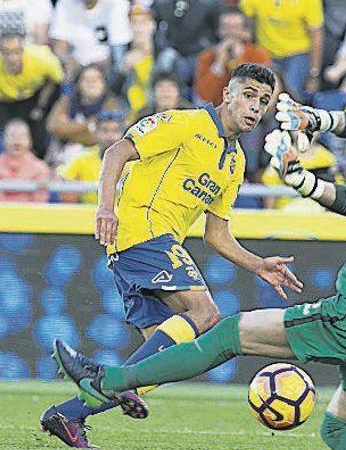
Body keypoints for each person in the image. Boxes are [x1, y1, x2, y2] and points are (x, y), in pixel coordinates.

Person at [51, 91, 346, 450]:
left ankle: (107, 381)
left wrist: (301, 179)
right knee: (340, 431)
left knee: (226, 332)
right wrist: (313, 119)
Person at [39, 64, 303, 448]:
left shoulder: (235, 163)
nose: (255, 106)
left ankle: (67, 415)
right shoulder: (186, 123)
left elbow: (217, 235)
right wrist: (105, 208)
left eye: (264, 101)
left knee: (161, 364)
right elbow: (116, 152)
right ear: (227, 94)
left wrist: (258, 264)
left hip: (144, 247)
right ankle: (100, 377)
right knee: (206, 314)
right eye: (248, 95)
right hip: (140, 229)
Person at [240, 0, 324, 99]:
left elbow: (316, 37)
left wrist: (314, 74)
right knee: (260, 93)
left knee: (290, 96)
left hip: (297, 53)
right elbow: (246, 24)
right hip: (266, 51)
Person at [0, 32, 64, 157]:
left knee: (39, 135)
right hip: (3, 101)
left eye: (17, 52)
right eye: (7, 53)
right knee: (4, 139)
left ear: (23, 50)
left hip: (33, 96)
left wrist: (41, 104)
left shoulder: (42, 58)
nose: (12, 58)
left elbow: (56, 80)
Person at [151, 0, 224, 87]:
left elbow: (219, 31)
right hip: (172, 52)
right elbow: (153, 29)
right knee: (165, 59)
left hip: (201, 53)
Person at [50, 0, 133, 78]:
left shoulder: (116, 2)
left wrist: (96, 67)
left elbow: (119, 44)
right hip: (76, 62)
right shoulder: (65, 2)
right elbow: (60, 44)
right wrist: (68, 61)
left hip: (108, 61)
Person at [194, 11, 271, 105]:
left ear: (245, 32)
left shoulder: (258, 54)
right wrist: (219, 64)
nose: (231, 32)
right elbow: (204, 97)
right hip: (218, 112)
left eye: (235, 27)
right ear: (219, 31)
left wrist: (240, 61)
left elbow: (259, 92)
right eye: (226, 27)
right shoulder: (207, 57)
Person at [57, 114, 127, 204]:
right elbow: (61, 178)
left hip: (124, 215)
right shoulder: (83, 158)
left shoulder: (133, 161)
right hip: (89, 214)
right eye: (105, 131)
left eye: (115, 131)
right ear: (97, 132)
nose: (110, 136)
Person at [0, 119, 52, 203]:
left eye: (22, 136)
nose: (17, 141)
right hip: (0, 213)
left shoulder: (41, 167)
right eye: (13, 136)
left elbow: (40, 204)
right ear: (4, 140)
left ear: (29, 142)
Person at [122, 8, 157, 113]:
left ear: (153, 26)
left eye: (143, 23)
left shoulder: (164, 55)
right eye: (134, 23)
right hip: (131, 116)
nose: (138, 29)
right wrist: (123, 71)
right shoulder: (122, 57)